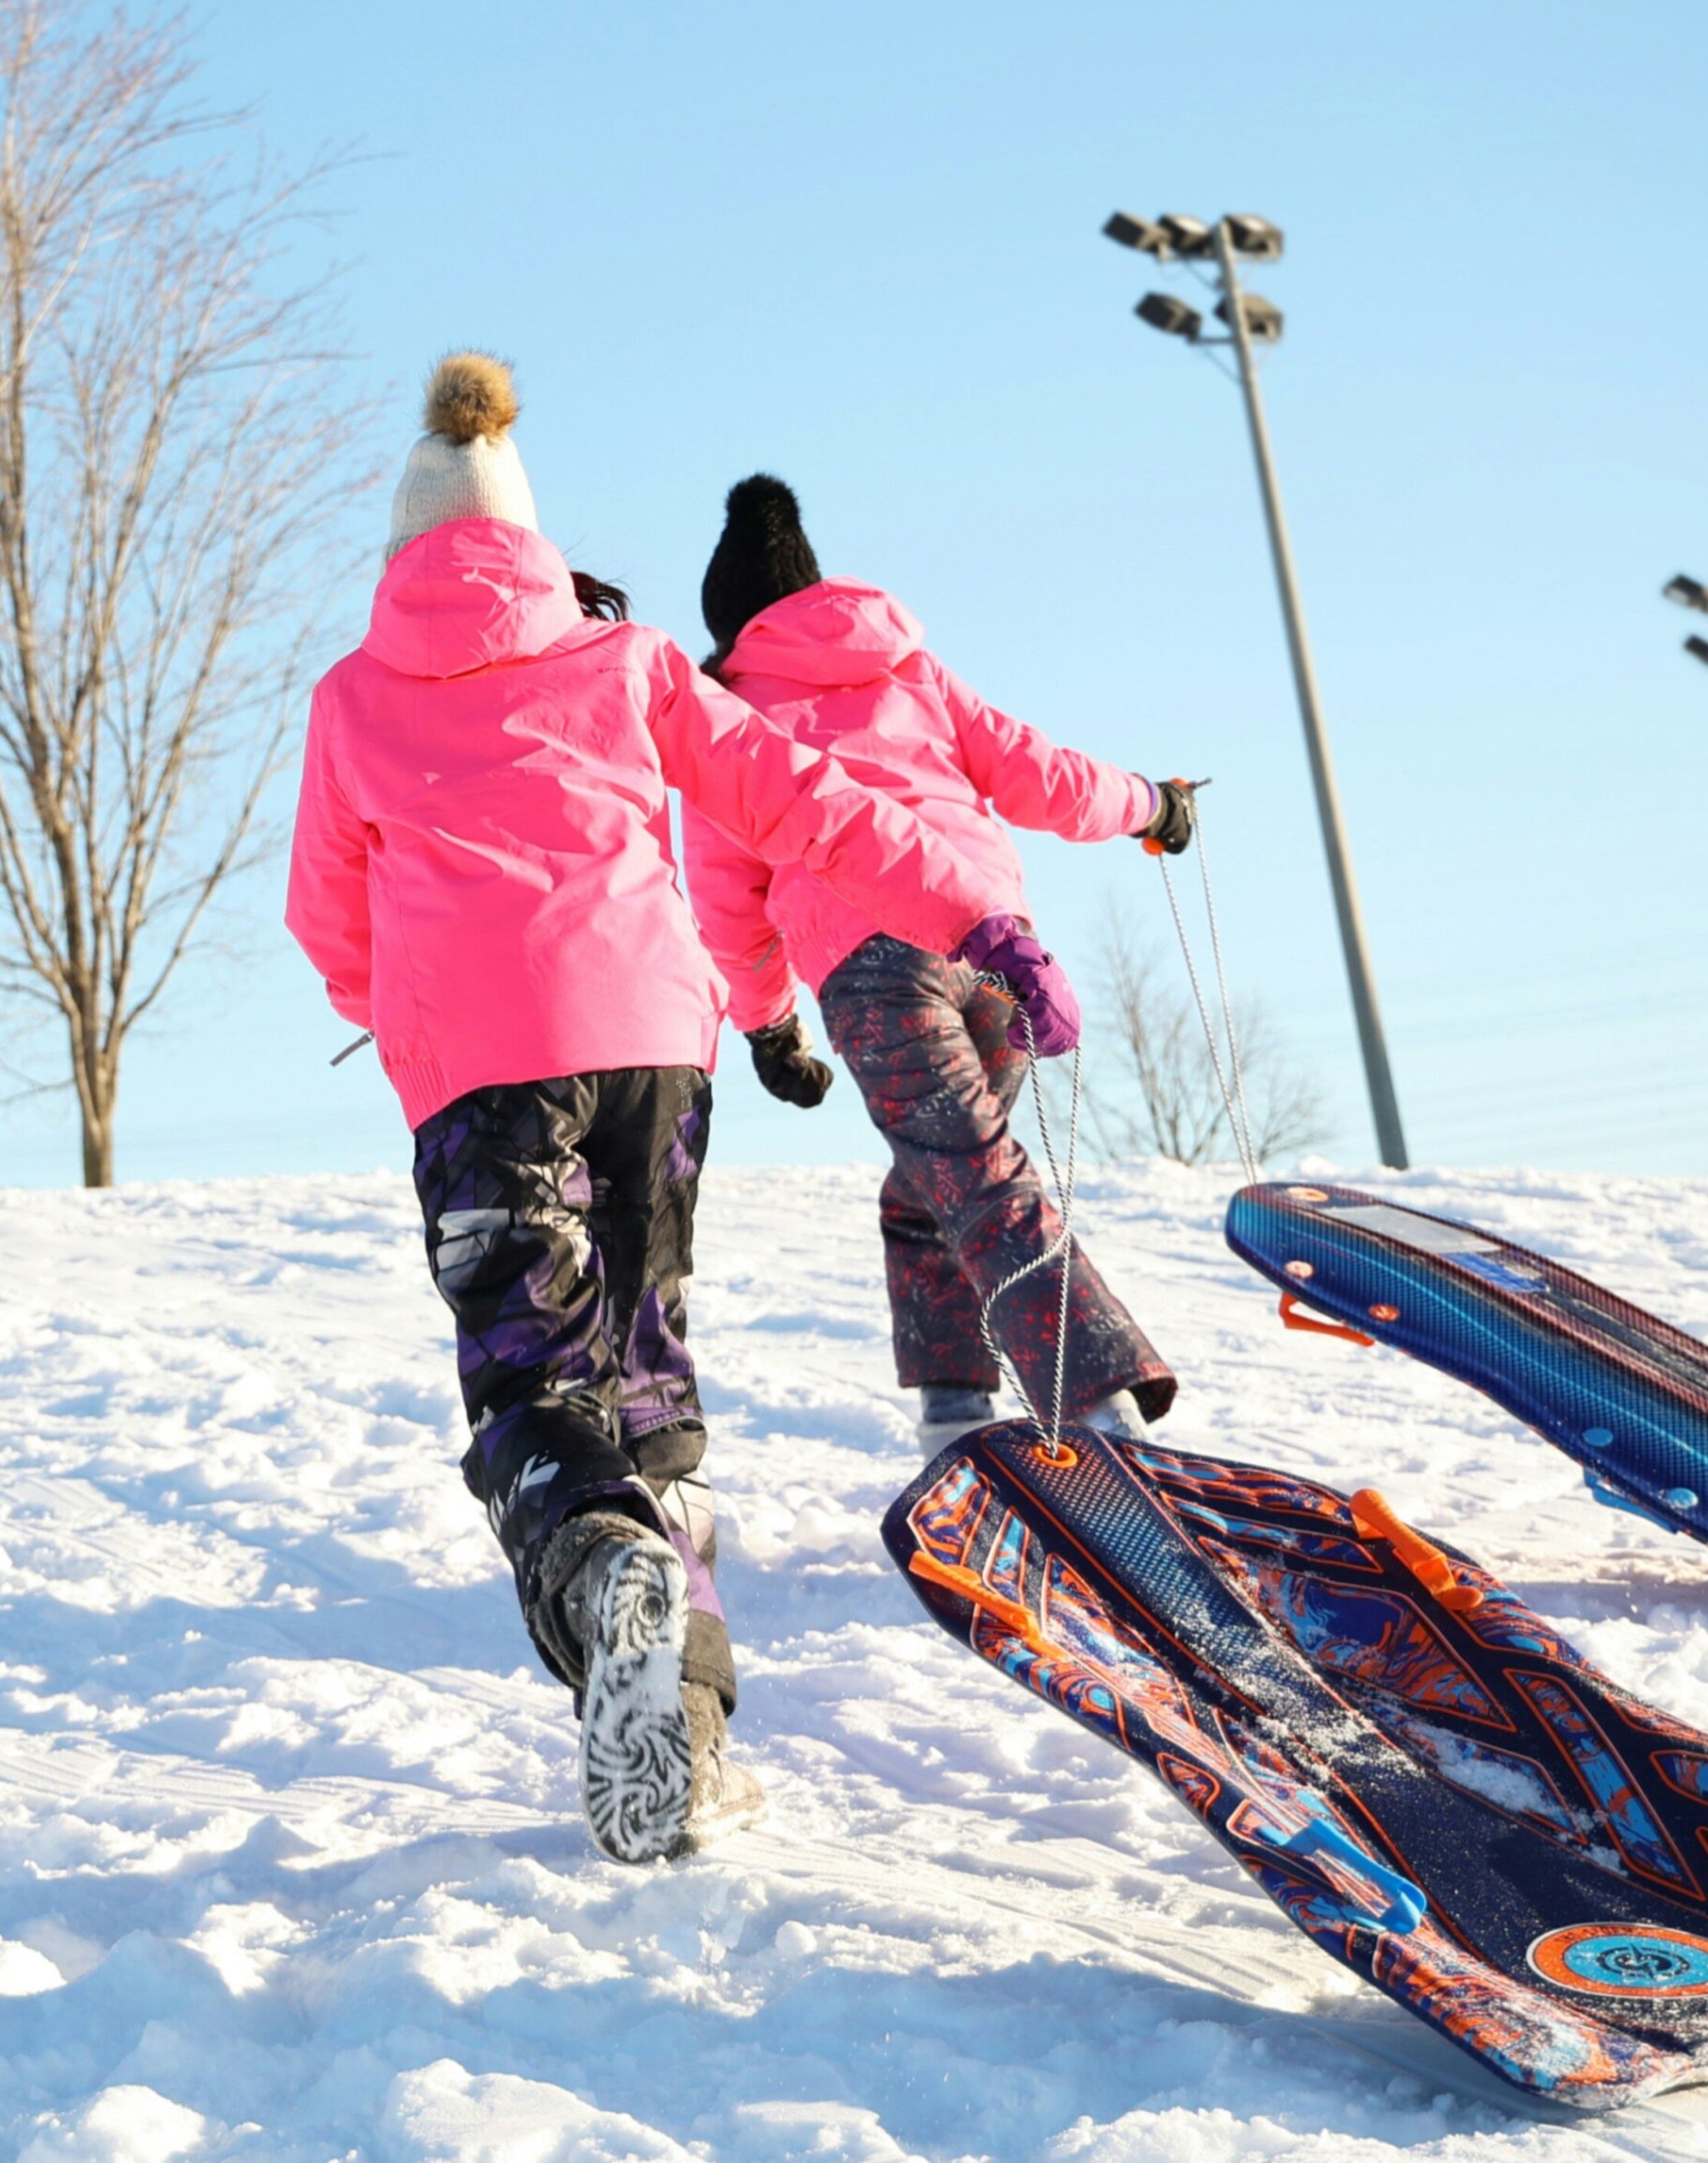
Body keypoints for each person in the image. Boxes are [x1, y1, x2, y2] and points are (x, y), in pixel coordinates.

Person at [285, 358, 1049, 1866]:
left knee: (538, 1390)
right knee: (644, 1386)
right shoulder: (627, 661)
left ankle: (603, 1570)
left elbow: (329, 922)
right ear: (530, 540)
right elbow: (803, 799)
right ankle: (684, 1735)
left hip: (483, 1077)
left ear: (403, 556)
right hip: (652, 1052)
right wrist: (978, 912)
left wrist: (399, 1018)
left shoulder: (354, 695)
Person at [681, 474, 1195, 1456]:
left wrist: (768, 1026)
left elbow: (725, 895)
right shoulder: (911, 670)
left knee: (971, 1177)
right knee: (932, 1182)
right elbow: (1042, 774)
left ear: (731, 625)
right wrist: (1152, 804)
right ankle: (956, 1403)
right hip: (989, 950)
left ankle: (1103, 1406)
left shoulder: (731, 718)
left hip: (873, 969)